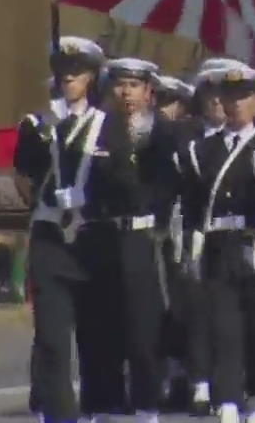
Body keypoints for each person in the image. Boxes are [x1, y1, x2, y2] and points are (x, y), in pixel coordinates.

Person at [179, 65, 255, 423]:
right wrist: (193, 246)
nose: (235, 104)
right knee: (224, 326)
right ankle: (227, 398)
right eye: (228, 97)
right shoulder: (202, 150)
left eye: (244, 97)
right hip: (218, 244)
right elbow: (194, 206)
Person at [14, 35, 112, 422]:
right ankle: (59, 415)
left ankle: (96, 410)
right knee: (52, 339)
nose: (70, 79)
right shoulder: (37, 124)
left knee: (95, 336)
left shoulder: (107, 125)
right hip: (50, 235)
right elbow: (22, 176)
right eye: (63, 72)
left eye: (79, 72)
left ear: (93, 77)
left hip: (91, 238)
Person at [93, 57, 182, 423]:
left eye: (134, 85)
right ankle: (106, 403)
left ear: (149, 92)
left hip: (145, 235)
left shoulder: (163, 133)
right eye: (119, 84)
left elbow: (169, 184)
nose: (126, 92)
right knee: (105, 323)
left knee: (144, 327)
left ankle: (147, 402)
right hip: (106, 233)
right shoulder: (100, 128)